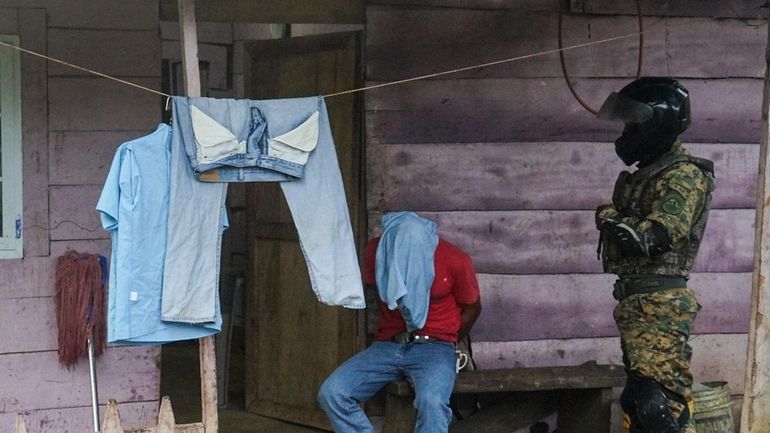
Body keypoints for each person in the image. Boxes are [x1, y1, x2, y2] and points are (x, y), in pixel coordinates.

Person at [595, 77, 715, 433]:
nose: (627, 131)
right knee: (641, 401)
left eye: (634, 123)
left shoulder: (682, 175)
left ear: (656, 124)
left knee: (657, 406)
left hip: (659, 303)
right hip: (639, 302)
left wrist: (608, 216)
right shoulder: (652, 172)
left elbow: (655, 237)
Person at [318, 211, 482, 433]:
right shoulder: (378, 251)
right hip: (388, 345)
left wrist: (447, 339)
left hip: (435, 347)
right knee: (333, 392)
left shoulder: (455, 259)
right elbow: (378, 293)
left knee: (431, 402)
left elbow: (472, 308)